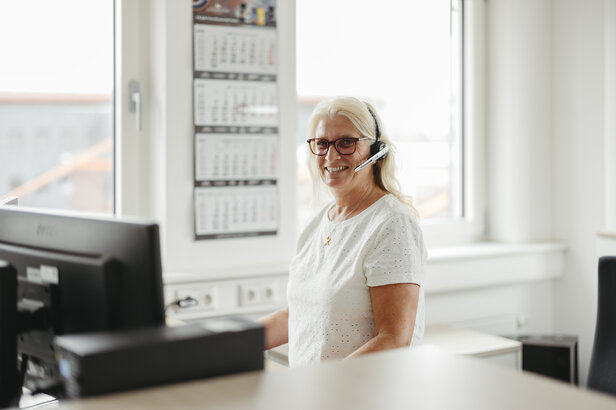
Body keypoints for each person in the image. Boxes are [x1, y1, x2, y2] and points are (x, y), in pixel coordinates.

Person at [258, 96, 427, 367]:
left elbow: (393, 339)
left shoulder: (392, 224)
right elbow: (296, 316)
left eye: (346, 142)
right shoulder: (318, 223)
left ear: (375, 151)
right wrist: (226, 342)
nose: (331, 156)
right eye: (322, 143)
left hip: (357, 395)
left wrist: (322, 386)